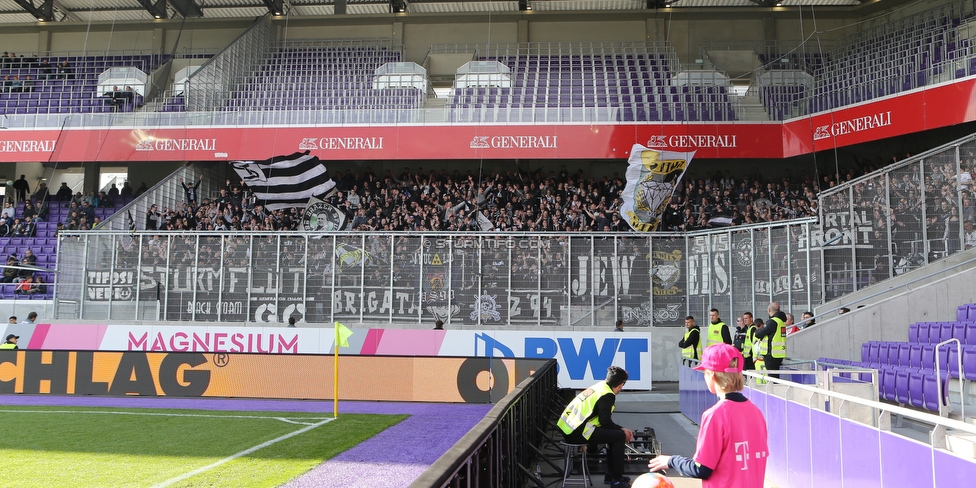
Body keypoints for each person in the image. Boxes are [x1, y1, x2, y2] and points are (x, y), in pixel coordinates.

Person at [647, 343, 769, 487]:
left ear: (711, 374)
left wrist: (671, 460)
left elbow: (702, 469)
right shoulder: (756, 412)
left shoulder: (715, 415)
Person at [557, 366, 634, 488]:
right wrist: (622, 429)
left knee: (613, 435)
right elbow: (605, 422)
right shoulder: (607, 395)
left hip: (568, 428)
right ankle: (617, 480)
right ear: (621, 384)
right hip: (576, 433)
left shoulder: (600, 386)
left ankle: (611, 475)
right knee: (619, 436)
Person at [754, 302, 788, 379]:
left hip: (771, 354)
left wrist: (757, 332)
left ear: (769, 310)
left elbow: (758, 334)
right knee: (775, 377)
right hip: (778, 353)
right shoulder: (781, 321)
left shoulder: (773, 322)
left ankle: (773, 391)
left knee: (772, 378)